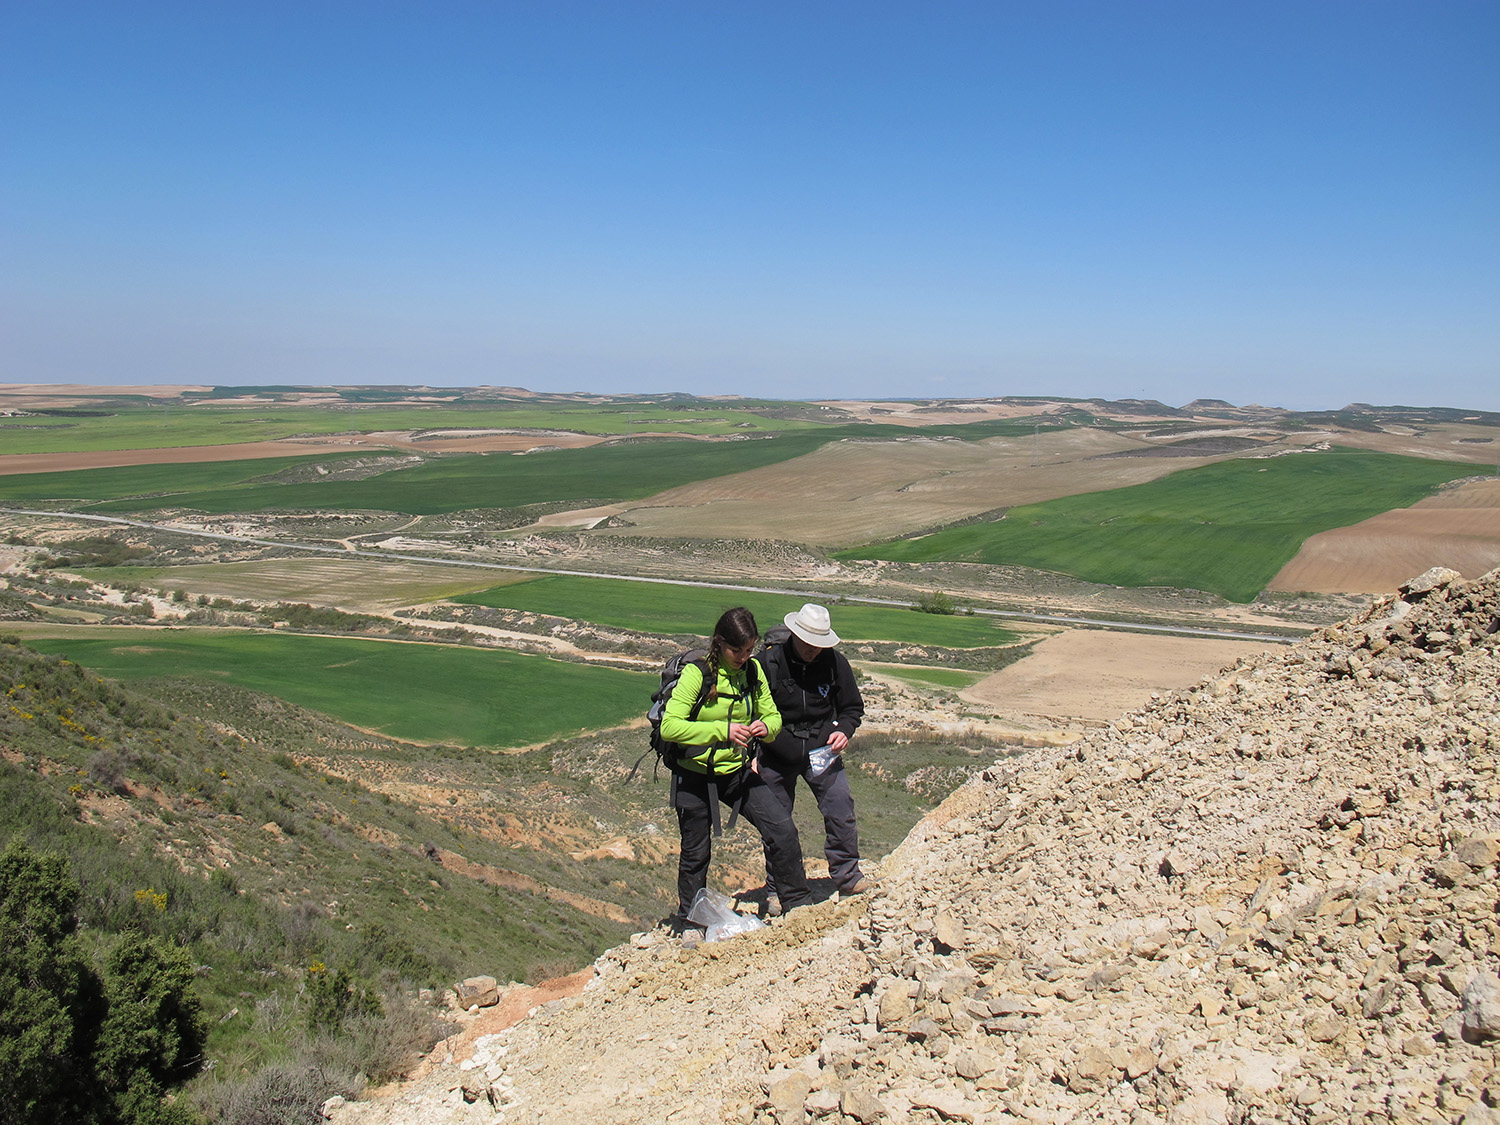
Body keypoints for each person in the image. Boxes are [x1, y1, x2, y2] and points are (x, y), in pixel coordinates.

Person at [660, 606, 812, 926]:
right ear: (719, 644)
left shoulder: (753, 672)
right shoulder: (697, 674)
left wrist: (764, 728)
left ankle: (798, 903)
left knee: (781, 828)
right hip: (694, 773)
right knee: (695, 853)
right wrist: (723, 731)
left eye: (749, 649)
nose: (743, 656)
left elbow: (773, 718)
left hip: (736, 772)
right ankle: (692, 921)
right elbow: (669, 727)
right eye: (736, 650)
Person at [757, 603, 871, 914]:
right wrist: (752, 752)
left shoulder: (835, 663)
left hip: (823, 750)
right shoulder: (768, 664)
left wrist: (845, 730)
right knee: (777, 824)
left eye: (819, 645)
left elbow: (852, 708)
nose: (812, 650)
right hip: (776, 751)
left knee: (840, 808)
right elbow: (749, 711)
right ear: (794, 634)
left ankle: (848, 877)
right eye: (808, 643)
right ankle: (777, 890)